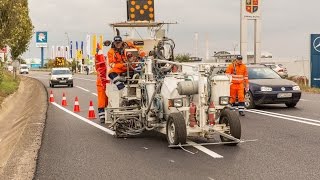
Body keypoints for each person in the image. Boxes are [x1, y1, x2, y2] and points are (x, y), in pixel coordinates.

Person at [95, 43, 109, 123]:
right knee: (102, 101)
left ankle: (105, 116)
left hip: (106, 83)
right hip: (101, 84)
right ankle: (102, 117)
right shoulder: (101, 62)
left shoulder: (102, 61)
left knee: (107, 100)